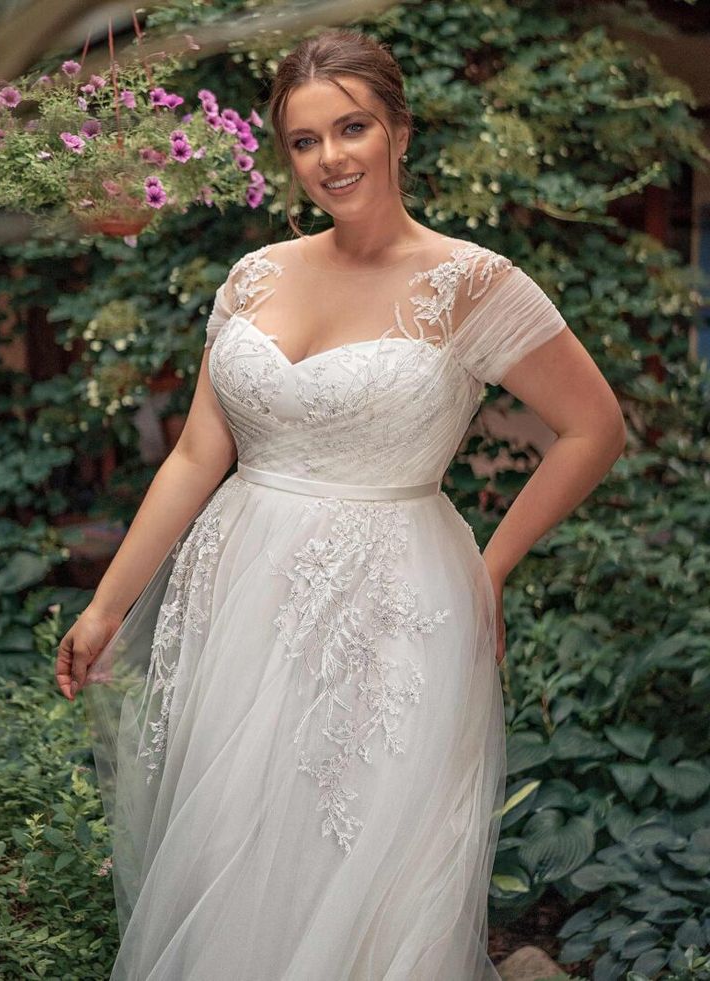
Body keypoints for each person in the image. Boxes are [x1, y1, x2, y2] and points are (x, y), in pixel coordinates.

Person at [55, 27, 626, 981]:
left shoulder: (472, 284)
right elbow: (200, 451)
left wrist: (489, 569)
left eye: (351, 128)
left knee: (364, 857)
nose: (331, 158)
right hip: (241, 597)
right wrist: (108, 602)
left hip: (397, 606)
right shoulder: (256, 276)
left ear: (400, 130)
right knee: (239, 834)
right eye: (305, 140)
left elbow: (594, 428)